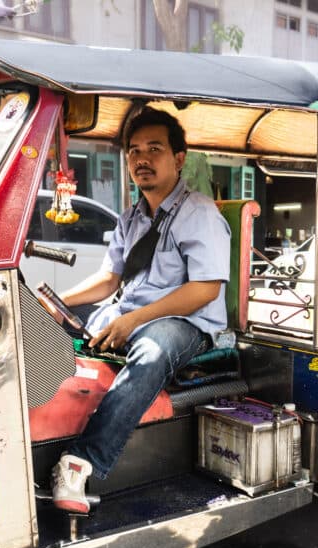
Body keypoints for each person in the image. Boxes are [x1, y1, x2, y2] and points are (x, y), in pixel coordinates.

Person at [48, 107, 231, 513]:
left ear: (178, 159)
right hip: (130, 316)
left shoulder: (199, 213)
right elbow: (109, 279)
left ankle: (81, 461)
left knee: (151, 351)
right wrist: (58, 302)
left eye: (154, 149)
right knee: (54, 329)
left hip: (184, 324)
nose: (142, 159)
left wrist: (133, 319)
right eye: (134, 151)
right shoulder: (131, 218)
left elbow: (206, 289)